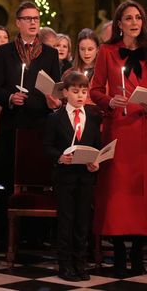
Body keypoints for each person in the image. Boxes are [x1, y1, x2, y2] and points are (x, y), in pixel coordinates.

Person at [90, 0, 147, 277]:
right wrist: (110, 101)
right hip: (119, 129)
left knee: (141, 194)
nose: (134, 22)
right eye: (128, 18)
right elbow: (95, 90)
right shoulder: (107, 51)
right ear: (119, 23)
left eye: (138, 17)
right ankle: (120, 255)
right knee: (117, 194)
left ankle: (138, 254)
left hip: (143, 130)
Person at [0, 0, 61, 196]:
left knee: (37, 182)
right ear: (18, 23)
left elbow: (56, 89)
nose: (33, 22)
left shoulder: (50, 54)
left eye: (36, 18)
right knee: (9, 182)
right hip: (13, 125)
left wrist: (55, 102)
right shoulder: (4, 52)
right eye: (28, 18)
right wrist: (10, 97)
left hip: (40, 125)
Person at [44, 71, 100, 282]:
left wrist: (96, 163)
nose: (80, 96)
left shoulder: (93, 117)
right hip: (64, 178)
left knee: (82, 222)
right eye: (75, 91)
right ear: (65, 92)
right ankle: (65, 264)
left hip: (85, 178)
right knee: (66, 220)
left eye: (84, 92)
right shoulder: (55, 118)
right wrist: (60, 157)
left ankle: (80, 263)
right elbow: (47, 146)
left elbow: (97, 146)